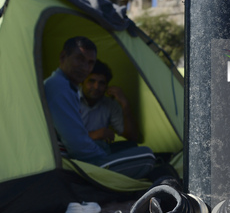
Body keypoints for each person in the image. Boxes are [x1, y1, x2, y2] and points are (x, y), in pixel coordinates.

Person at [44, 37, 154, 179]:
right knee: (147, 155)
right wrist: (104, 157)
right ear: (63, 57)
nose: (84, 67)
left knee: (131, 147)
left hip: (88, 153)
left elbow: (132, 137)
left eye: (90, 63)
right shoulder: (59, 87)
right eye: (79, 59)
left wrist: (125, 104)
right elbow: (77, 145)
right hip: (79, 164)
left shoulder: (66, 86)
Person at [80, 60, 139, 153]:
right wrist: (94, 135)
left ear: (107, 86)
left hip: (99, 149)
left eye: (101, 83)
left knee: (133, 147)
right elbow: (61, 137)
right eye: (91, 81)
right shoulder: (70, 99)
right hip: (73, 151)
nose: (96, 87)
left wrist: (125, 104)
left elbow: (132, 137)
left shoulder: (109, 104)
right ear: (81, 82)